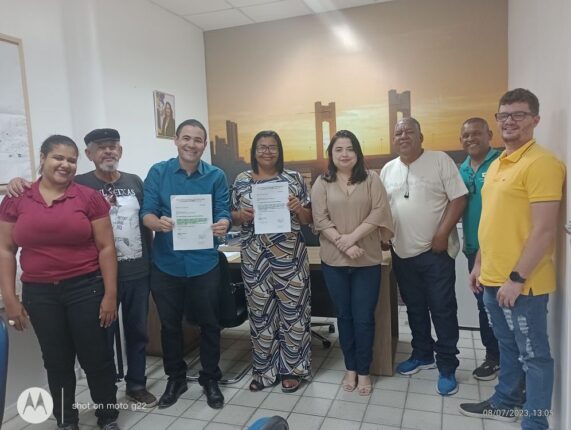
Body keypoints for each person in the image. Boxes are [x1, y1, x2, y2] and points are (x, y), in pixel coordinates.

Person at [6, 128, 157, 407]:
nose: (108, 151)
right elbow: (43, 190)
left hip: (135, 272)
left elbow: (144, 223)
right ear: (89, 154)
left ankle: (135, 386)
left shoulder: (135, 181)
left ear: (120, 151)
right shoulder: (79, 183)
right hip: (97, 278)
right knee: (99, 343)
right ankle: (103, 394)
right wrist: (17, 181)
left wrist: (149, 258)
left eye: (113, 146)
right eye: (101, 147)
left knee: (138, 332)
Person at [459, 89, 565, 430]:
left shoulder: (542, 163)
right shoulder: (499, 163)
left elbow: (544, 231)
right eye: (503, 115)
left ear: (535, 119)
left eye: (518, 115)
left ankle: (535, 423)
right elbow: (492, 221)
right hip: (491, 277)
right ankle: (505, 403)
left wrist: (517, 278)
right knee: (507, 347)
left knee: (534, 356)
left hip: (523, 284)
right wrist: (479, 264)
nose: (509, 121)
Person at [0, 135, 120, 430]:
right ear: (43, 158)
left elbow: (106, 248)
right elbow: (5, 250)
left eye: (71, 160)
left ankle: (107, 417)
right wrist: (11, 298)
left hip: (86, 289)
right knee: (56, 362)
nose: (65, 164)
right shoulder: (16, 198)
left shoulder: (88, 198)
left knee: (97, 359)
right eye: (58, 157)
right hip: (39, 295)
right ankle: (67, 421)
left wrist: (110, 295)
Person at [141, 119, 231, 410]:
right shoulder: (159, 172)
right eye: (186, 138)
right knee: (170, 327)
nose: (191, 144)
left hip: (204, 263)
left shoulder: (216, 176)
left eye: (198, 140)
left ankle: (210, 378)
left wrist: (223, 222)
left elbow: (223, 211)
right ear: (176, 140)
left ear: (204, 144)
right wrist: (157, 223)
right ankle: (176, 378)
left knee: (210, 324)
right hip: (166, 264)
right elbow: (147, 213)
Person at [380, 117, 467, 396]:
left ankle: (447, 366)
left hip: (435, 253)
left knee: (442, 309)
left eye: (409, 131)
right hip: (402, 253)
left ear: (421, 136)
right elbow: (383, 209)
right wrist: (384, 236)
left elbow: (459, 199)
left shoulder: (439, 160)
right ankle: (422, 354)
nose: (403, 136)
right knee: (415, 308)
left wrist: (442, 234)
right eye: (398, 133)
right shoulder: (388, 169)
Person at [312, 130, 394, 396]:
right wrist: (344, 244)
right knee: (344, 316)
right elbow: (320, 219)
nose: (344, 154)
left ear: (357, 153)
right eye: (338, 149)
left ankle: (364, 370)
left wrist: (351, 238)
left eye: (350, 148)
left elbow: (379, 212)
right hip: (334, 261)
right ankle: (350, 367)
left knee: (364, 318)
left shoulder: (371, 179)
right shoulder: (322, 182)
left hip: (366, 259)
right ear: (331, 154)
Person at [231, 130, 313, 393]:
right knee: (260, 316)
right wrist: (241, 215)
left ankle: (293, 370)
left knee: (294, 314)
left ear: (279, 150)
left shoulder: (294, 178)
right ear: (254, 151)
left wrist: (298, 208)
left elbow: (309, 218)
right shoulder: (241, 180)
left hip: (290, 258)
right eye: (262, 147)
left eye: (272, 147)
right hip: (255, 258)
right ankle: (264, 371)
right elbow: (232, 216)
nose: (267, 152)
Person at [458, 118, 501, 381]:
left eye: (476, 133)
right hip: (473, 250)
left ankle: (508, 359)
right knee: (483, 306)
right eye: (466, 135)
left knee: (500, 307)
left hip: (499, 248)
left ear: (489, 135)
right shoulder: (461, 169)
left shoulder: (501, 162)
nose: (470, 139)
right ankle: (493, 357)